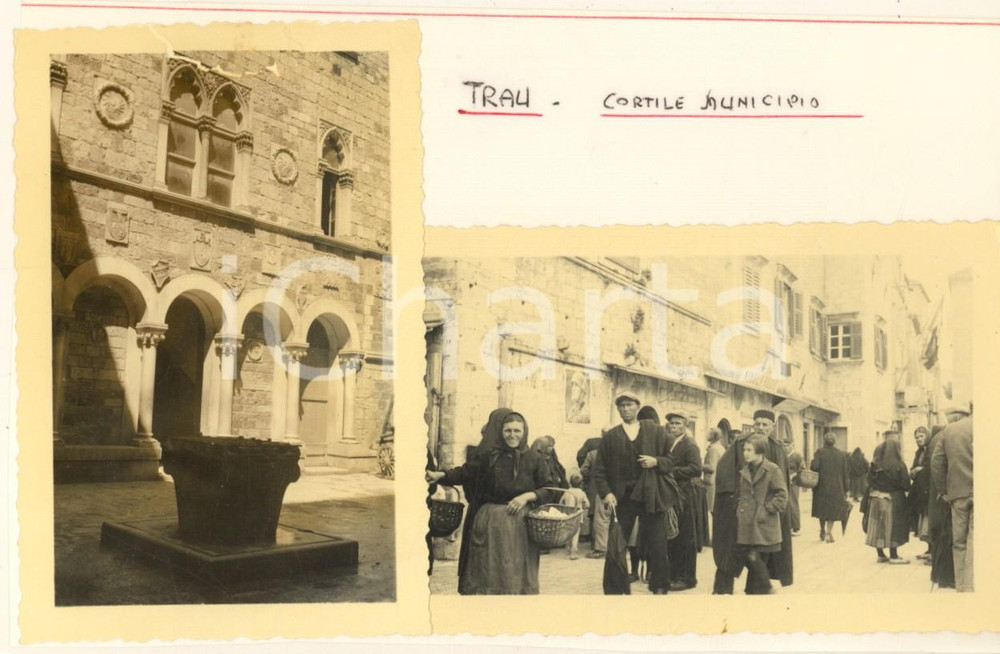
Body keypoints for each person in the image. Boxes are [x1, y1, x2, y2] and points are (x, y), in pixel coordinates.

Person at [426, 410, 556, 594]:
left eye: (517, 431)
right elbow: (465, 473)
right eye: (508, 430)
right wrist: (441, 475)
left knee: (516, 570)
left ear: (524, 431)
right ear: (501, 432)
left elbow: (550, 489)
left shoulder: (535, 458)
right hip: (490, 522)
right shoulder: (489, 456)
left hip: (520, 524)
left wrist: (527, 497)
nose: (512, 435)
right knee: (488, 570)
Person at [593, 392, 680, 594]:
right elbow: (600, 470)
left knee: (658, 543)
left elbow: (672, 460)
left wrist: (656, 461)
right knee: (616, 543)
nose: (626, 409)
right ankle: (615, 588)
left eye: (630, 405)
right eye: (622, 406)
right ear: (618, 409)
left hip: (650, 495)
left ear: (637, 407)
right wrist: (607, 493)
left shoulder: (655, 432)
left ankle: (660, 585)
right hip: (623, 498)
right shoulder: (611, 436)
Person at [712, 409, 793, 594]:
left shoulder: (777, 448)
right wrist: (732, 502)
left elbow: (783, 486)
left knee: (760, 551)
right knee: (730, 551)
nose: (760, 427)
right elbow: (725, 473)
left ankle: (756, 590)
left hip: (765, 514)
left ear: (773, 427)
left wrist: (771, 508)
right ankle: (722, 591)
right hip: (740, 511)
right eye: (757, 423)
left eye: (765, 424)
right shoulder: (741, 443)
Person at [736, 435, 789, 595]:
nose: (745, 453)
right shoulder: (745, 469)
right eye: (745, 449)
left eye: (749, 450)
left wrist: (766, 510)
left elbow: (782, 496)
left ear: (760, 452)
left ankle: (765, 587)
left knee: (754, 556)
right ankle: (754, 590)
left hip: (763, 524)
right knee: (749, 556)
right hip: (746, 522)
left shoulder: (772, 469)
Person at [931, 407, 974, 592]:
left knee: (959, 542)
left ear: (956, 417)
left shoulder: (949, 431)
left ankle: (962, 587)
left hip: (958, 494)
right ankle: (974, 586)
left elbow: (936, 462)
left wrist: (943, 490)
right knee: (976, 540)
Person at [664, 410, 703, 591]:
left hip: (685, 495)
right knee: (674, 535)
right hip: (674, 494)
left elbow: (696, 469)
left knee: (686, 537)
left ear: (685, 425)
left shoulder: (689, 444)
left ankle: (687, 579)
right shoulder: (671, 442)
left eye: (678, 423)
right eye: (671, 423)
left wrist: (671, 471)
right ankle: (673, 575)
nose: (674, 426)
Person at [863, 433, 911, 564]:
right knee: (892, 526)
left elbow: (869, 480)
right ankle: (893, 556)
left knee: (878, 526)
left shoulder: (875, 464)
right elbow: (906, 485)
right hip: (892, 500)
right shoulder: (900, 465)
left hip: (875, 499)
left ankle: (880, 555)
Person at [925, 424, 955, 588]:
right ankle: (945, 577)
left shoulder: (935, 440)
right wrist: (944, 491)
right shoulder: (944, 438)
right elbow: (938, 466)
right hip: (942, 496)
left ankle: (939, 576)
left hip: (935, 496)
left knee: (940, 536)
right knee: (946, 535)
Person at [810, 431, 849, 543]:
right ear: (835, 442)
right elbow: (845, 473)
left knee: (822, 509)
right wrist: (846, 489)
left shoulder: (819, 452)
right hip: (836, 487)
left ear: (824, 441)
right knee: (832, 510)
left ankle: (822, 529)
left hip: (821, 486)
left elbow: (814, 467)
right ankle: (828, 532)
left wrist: (813, 461)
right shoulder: (841, 454)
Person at [580, 439, 610, 558]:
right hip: (616, 490)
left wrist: (591, 478)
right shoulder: (619, 453)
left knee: (599, 518)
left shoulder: (593, 454)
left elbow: (584, 470)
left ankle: (599, 547)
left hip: (598, 488)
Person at [907, 426, 932, 560]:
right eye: (917, 437)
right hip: (919, 490)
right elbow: (914, 467)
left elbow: (931, 468)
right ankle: (929, 549)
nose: (919, 439)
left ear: (927, 436)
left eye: (922, 436)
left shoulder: (931, 450)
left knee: (928, 519)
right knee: (922, 519)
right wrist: (913, 470)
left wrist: (919, 470)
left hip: (928, 490)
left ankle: (932, 550)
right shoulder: (919, 452)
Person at [559, 473, 590, 560]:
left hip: (568, 515)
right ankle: (573, 552)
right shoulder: (582, 493)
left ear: (570, 483)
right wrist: (583, 507)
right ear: (581, 484)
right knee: (575, 534)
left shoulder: (567, 492)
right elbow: (587, 504)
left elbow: (561, 502)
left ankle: (568, 550)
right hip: (577, 516)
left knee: (568, 533)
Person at [784, 439, 805, 536]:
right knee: (785, 503)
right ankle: (787, 526)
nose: (786, 448)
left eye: (787, 445)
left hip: (794, 483)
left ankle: (796, 527)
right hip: (783, 482)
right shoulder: (783, 456)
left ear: (792, 445)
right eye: (784, 446)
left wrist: (794, 475)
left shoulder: (797, 456)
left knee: (793, 504)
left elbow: (803, 469)